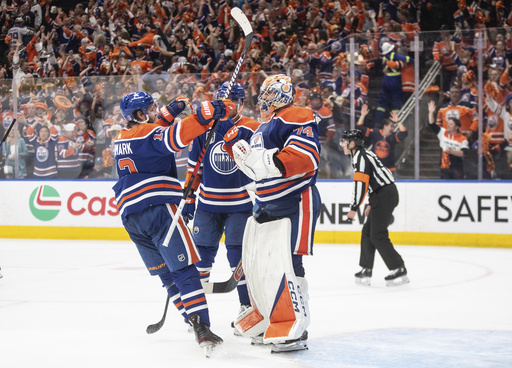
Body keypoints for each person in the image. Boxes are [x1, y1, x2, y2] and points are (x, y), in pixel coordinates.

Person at [112, 91, 234, 356]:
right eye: (152, 109)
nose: (157, 112)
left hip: (131, 217)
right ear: (141, 115)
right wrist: (204, 114)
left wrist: (170, 110)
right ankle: (202, 328)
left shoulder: (121, 137)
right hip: (158, 210)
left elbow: (154, 130)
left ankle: (189, 318)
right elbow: (173, 137)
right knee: (185, 270)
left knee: (167, 276)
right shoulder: (148, 134)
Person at [223, 74, 321, 352]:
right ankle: (267, 317)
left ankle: (294, 323)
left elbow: (307, 157)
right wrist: (237, 152)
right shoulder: (264, 126)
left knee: (288, 263)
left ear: (281, 93)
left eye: (268, 93)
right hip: (264, 204)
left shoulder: (297, 115)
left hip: (293, 201)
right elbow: (255, 170)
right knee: (258, 264)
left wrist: (265, 160)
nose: (263, 98)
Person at [184, 82, 260, 329]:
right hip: (207, 205)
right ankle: (196, 314)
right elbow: (194, 168)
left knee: (238, 257)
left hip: (240, 205)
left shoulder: (252, 129)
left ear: (242, 103)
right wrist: (188, 198)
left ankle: (246, 307)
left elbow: (259, 168)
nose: (229, 107)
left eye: (233, 102)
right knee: (201, 258)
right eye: (224, 102)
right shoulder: (203, 129)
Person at [341, 129, 409, 287]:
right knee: (367, 232)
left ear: (352, 144)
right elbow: (375, 179)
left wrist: (354, 207)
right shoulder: (363, 154)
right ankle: (366, 268)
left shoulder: (361, 157)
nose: (342, 144)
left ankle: (399, 268)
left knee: (377, 234)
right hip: (383, 194)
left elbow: (361, 184)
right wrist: (372, 202)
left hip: (385, 195)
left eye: (345, 141)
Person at [357, 104, 408, 176]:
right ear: (385, 126)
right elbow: (360, 129)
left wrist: (398, 121)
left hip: (389, 170)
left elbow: (404, 133)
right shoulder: (376, 133)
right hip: (375, 169)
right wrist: (362, 115)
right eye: (391, 126)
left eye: (393, 127)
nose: (393, 128)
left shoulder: (393, 136)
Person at [428, 100, 469, 179]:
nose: (448, 126)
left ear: (456, 127)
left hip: (457, 167)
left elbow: (464, 153)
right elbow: (432, 124)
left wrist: (451, 151)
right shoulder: (442, 132)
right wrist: (431, 112)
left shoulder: (462, 138)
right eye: (447, 124)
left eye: (450, 124)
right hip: (444, 168)